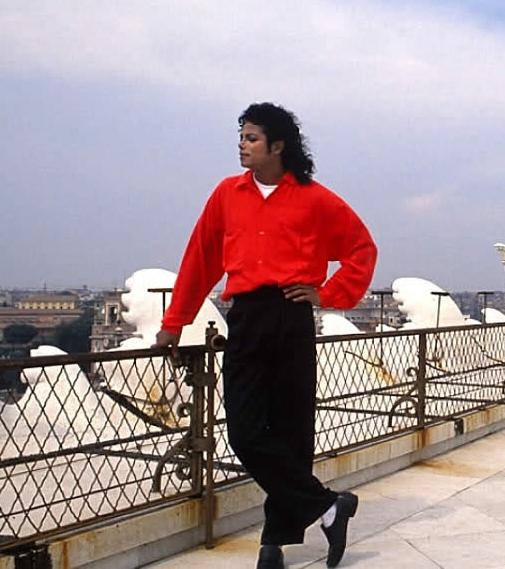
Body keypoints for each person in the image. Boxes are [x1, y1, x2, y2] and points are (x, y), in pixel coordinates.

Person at [156, 102, 377, 569]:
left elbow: (361, 248)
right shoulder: (226, 194)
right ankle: (329, 506)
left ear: (277, 146)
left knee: (291, 429)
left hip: (292, 316)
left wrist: (326, 293)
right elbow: (200, 259)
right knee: (245, 431)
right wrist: (174, 322)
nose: (242, 145)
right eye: (241, 136)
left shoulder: (315, 199)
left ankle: (273, 544)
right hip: (247, 316)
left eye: (252, 138)